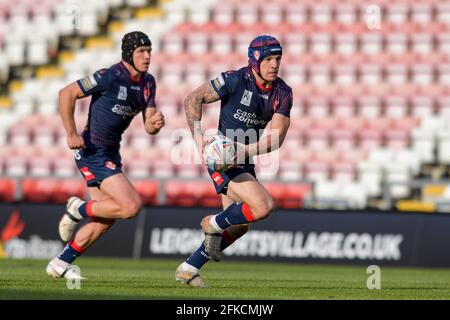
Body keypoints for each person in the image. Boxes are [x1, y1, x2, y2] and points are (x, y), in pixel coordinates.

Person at [176, 35, 293, 287]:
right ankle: (213, 222)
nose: (274, 64)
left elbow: (277, 138)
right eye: (269, 59)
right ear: (255, 60)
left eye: (278, 59)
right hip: (221, 159)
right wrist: (199, 142)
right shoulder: (234, 79)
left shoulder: (283, 92)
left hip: (242, 157)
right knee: (262, 206)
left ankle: (188, 268)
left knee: (240, 226)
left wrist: (245, 151)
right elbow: (192, 99)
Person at [46, 31, 165, 278]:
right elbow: (66, 94)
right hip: (92, 152)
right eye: (141, 52)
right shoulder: (109, 76)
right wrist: (71, 133)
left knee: (106, 218)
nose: (147, 56)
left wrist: (156, 123)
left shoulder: (149, 82)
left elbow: (149, 127)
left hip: (110, 153)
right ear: (128, 54)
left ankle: (59, 264)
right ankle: (78, 209)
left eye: (149, 51)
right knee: (131, 206)